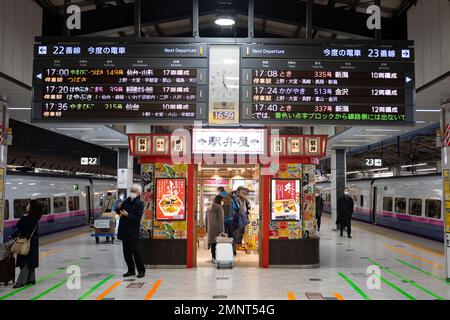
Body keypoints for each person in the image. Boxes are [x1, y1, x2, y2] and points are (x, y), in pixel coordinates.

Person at [12, 200, 43, 288]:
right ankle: (31, 279)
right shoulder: (33, 218)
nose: (27, 205)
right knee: (30, 261)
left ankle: (20, 281)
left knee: (26, 262)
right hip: (31, 243)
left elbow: (19, 226)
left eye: (29, 204)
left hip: (27, 243)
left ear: (32, 208)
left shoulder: (31, 218)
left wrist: (23, 217)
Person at [117, 184, 145, 278]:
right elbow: (119, 212)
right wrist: (119, 208)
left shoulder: (140, 203)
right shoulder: (126, 200)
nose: (132, 192)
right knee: (126, 253)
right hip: (124, 230)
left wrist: (128, 214)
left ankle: (141, 271)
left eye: (134, 191)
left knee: (136, 252)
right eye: (131, 190)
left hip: (133, 231)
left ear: (139, 193)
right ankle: (131, 270)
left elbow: (137, 218)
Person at [206, 195, 225, 262]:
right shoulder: (220, 208)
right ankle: (218, 258)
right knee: (218, 244)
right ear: (220, 200)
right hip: (217, 229)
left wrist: (206, 229)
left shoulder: (208, 208)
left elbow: (206, 220)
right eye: (222, 200)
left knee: (213, 244)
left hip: (210, 228)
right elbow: (221, 220)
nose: (223, 202)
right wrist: (222, 231)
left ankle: (213, 257)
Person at [233, 187, 251, 252]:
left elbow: (246, 208)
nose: (246, 195)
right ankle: (238, 244)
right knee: (239, 231)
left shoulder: (243, 200)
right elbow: (239, 209)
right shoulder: (237, 199)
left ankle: (239, 244)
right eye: (245, 193)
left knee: (241, 231)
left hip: (242, 217)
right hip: (238, 217)